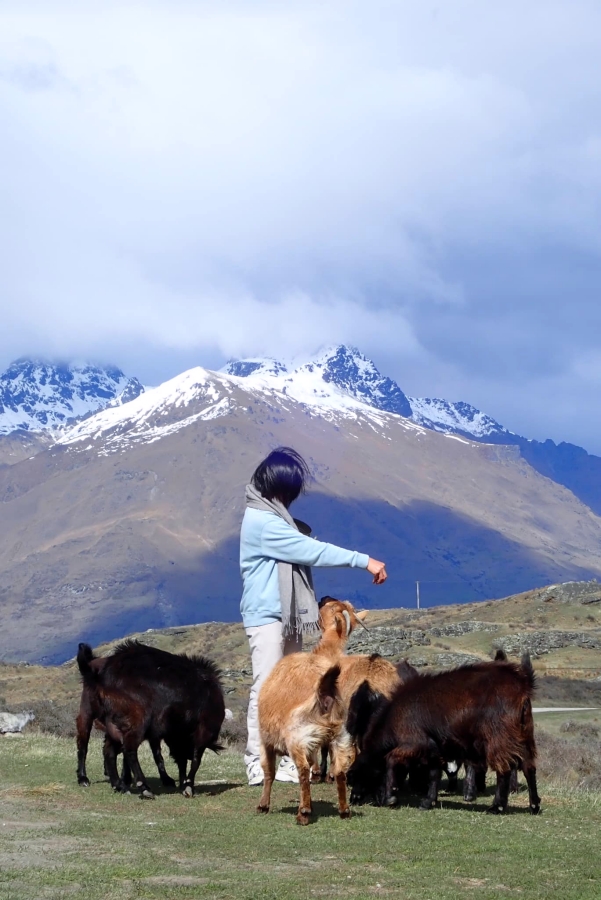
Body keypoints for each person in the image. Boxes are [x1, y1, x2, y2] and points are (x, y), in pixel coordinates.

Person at [240, 446, 387, 786]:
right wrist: (363, 560)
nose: (290, 498)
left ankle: (291, 761)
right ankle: (257, 762)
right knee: (265, 689)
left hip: (286, 614)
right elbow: (312, 550)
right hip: (268, 617)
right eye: (288, 490)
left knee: (291, 690)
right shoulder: (264, 523)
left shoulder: (272, 518)